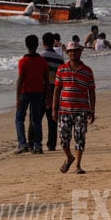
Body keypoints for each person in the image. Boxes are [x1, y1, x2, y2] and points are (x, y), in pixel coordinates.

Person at [53, 41, 96, 174]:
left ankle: (78, 165)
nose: (73, 53)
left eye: (76, 50)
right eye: (71, 51)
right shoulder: (61, 69)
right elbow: (57, 89)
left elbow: (91, 91)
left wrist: (92, 110)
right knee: (63, 139)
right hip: (64, 110)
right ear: (67, 53)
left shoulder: (87, 71)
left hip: (81, 111)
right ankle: (69, 157)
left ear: (80, 52)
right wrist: (54, 109)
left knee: (80, 138)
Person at [14, 34, 49, 154]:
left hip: (25, 92)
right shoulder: (42, 62)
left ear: (26, 45)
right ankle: (37, 145)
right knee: (36, 120)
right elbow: (47, 81)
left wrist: (17, 98)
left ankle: (22, 144)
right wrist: (48, 96)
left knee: (19, 119)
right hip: (38, 91)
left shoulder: (23, 61)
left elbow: (20, 80)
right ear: (37, 45)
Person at [40, 32, 63, 151]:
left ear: (43, 42)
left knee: (37, 117)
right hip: (55, 88)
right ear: (53, 42)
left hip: (42, 89)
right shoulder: (59, 59)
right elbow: (62, 76)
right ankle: (52, 143)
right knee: (52, 118)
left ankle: (34, 142)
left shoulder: (40, 57)